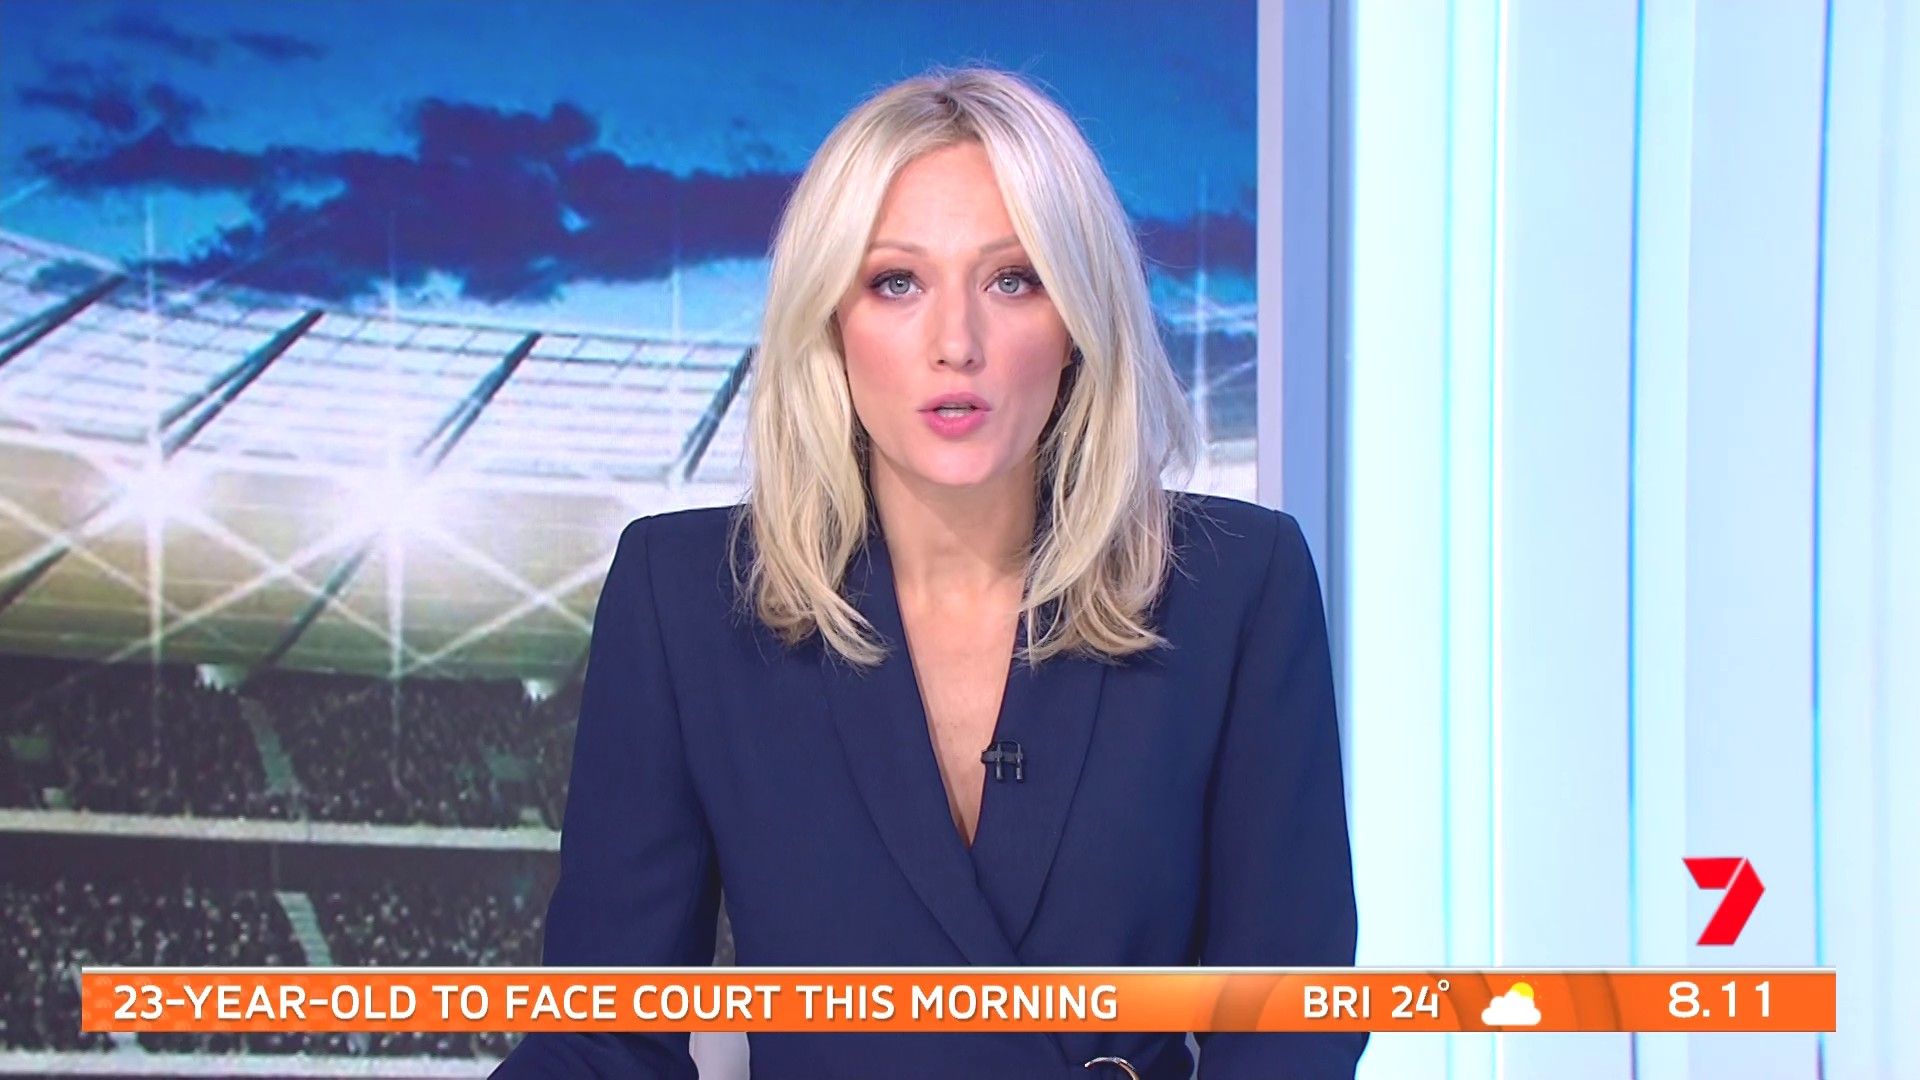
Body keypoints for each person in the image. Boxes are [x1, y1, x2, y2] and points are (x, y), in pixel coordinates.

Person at [494, 67, 1362, 1079]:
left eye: (1014, 279)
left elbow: (1291, 1018)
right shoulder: (681, 594)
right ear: (831, 317)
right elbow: (601, 1033)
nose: (957, 344)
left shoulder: (1236, 585)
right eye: (896, 283)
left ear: (1080, 321)